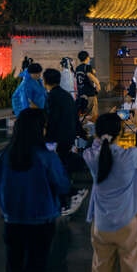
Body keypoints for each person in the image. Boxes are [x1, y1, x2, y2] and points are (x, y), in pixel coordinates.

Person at [0, 108, 70, 272]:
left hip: (12, 220)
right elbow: (62, 184)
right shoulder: (46, 157)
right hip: (41, 220)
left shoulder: (2, 157)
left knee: (13, 264)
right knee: (37, 263)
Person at [83, 111, 137, 272]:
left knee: (101, 266)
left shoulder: (91, 157)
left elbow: (94, 146)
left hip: (101, 224)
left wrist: (100, 127)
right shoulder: (129, 157)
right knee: (130, 266)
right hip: (128, 223)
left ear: (98, 134)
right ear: (121, 133)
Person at [42, 68, 88, 215]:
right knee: (62, 166)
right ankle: (67, 197)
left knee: (56, 169)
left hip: (57, 139)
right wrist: (81, 133)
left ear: (45, 81)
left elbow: (52, 120)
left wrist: (47, 139)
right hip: (69, 136)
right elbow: (75, 116)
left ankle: (71, 195)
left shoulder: (51, 97)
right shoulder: (67, 96)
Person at [76, 50, 101, 121]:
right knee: (93, 114)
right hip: (90, 93)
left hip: (81, 93)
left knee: (84, 113)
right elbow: (89, 75)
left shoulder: (78, 68)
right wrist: (98, 83)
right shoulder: (87, 67)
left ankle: (84, 125)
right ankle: (91, 126)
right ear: (87, 58)